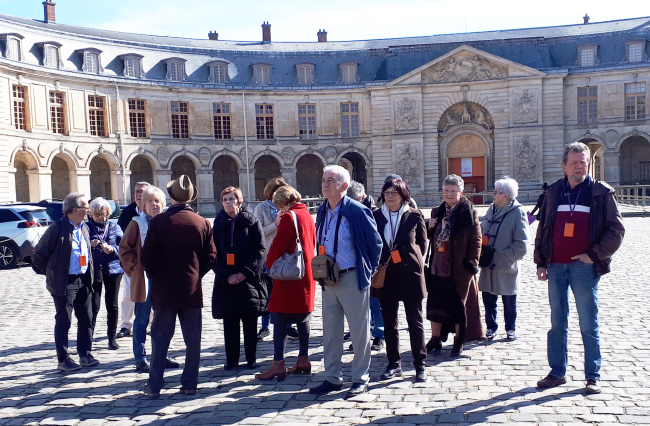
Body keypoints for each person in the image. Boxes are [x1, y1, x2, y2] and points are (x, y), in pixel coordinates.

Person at [535, 142, 624, 395]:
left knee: (588, 321)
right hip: (555, 267)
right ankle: (557, 372)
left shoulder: (601, 192)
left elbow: (616, 230)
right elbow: (543, 230)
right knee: (557, 321)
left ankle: (592, 375)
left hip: (583, 268)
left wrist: (593, 255)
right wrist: (541, 261)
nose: (578, 166)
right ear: (564, 166)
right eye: (573, 162)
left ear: (589, 164)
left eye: (583, 162)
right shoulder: (553, 192)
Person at [308, 165, 382, 398]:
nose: (325, 184)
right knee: (331, 331)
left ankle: (360, 377)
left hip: (351, 276)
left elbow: (375, 244)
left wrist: (367, 271)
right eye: (323, 180)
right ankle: (333, 377)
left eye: (331, 180)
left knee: (359, 332)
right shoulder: (322, 210)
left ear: (344, 186)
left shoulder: (357, 211)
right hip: (328, 278)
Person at [140, 175, 216, 398]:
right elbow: (211, 257)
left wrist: (158, 276)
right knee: (193, 341)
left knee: (160, 339)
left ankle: (154, 386)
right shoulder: (202, 222)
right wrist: (195, 274)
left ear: (171, 196)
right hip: (191, 290)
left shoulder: (159, 222)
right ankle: (190, 384)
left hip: (165, 289)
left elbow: (147, 259)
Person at [32, 193, 100, 371]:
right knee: (64, 321)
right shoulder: (57, 229)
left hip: (84, 279)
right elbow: (38, 255)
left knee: (86, 318)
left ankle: (85, 353)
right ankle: (63, 359)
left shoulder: (83, 227)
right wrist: (52, 274)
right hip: (65, 283)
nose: (88, 212)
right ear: (74, 210)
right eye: (86, 208)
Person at [255, 185, 317, 381]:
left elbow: (277, 245)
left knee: (279, 317)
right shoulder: (306, 214)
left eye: (279, 207)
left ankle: (278, 363)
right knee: (303, 317)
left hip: (289, 276)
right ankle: (303, 359)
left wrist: (270, 264)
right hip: (305, 273)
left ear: (283, 203)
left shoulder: (289, 217)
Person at [372, 178, 428, 382]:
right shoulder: (376, 215)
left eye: (394, 193)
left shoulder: (414, 215)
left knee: (415, 321)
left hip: (410, 274)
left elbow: (422, 245)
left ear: (403, 195)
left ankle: (420, 363)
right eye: (386, 193)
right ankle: (393, 363)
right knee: (389, 323)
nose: (389, 196)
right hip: (386, 274)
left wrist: (411, 261)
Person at [119, 186, 179, 373]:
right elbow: (124, 250)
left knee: (163, 320)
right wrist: (135, 268)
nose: (154, 204)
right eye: (150, 201)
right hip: (145, 279)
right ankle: (140, 357)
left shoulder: (169, 222)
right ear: (143, 205)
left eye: (157, 201)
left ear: (163, 204)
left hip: (164, 279)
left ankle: (161, 355)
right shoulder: (136, 224)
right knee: (142, 319)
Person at [426, 174, 484, 357]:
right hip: (437, 267)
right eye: (446, 191)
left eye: (453, 191)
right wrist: (430, 227)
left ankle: (459, 340)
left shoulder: (469, 211)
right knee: (435, 305)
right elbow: (432, 238)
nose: (449, 194)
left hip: (459, 268)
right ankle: (435, 338)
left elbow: (477, 240)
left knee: (458, 306)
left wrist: (471, 262)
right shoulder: (436, 212)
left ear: (460, 192)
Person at [212, 186, 267, 371]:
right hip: (226, 281)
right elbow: (213, 254)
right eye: (225, 199)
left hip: (248, 279)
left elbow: (260, 250)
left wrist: (243, 273)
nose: (228, 202)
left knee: (250, 321)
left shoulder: (251, 222)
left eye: (232, 199)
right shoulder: (218, 224)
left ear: (240, 201)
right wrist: (227, 275)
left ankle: (251, 358)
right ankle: (231, 359)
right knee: (230, 321)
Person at [478, 178, 530, 342]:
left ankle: (510, 329)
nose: (492, 194)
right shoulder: (491, 209)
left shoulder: (518, 213)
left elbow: (522, 244)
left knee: (509, 301)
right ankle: (491, 328)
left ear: (505, 195)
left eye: (496, 192)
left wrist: (504, 256)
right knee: (488, 300)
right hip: (487, 263)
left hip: (506, 264)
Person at [253, 177, 298, 342]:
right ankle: (265, 327)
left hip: (286, 256)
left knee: (286, 292)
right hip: (268, 256)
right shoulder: (261, 208)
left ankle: (288, 326)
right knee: (268, 293)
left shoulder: (289, 208)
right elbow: (258, 233)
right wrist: (276, 225)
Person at [346, 180, 384, 350]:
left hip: (370, 265)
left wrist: (374, 266)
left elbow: (378, 243)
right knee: (359, 305)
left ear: (361, 197)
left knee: (375, 303)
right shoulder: (346, 210)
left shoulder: (375, 213)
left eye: (354, 199)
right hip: (353, 265)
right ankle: (361, 337)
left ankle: (379, 335)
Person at [87, 197, 124, 351]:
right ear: (91, 214)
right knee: (93, 305)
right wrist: (90, 244)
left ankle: (111, 337)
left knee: (112, 304)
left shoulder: (114, 227)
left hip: (113, 269)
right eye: (97, 215)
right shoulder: (86, 227)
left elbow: (124, 246)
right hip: (94, 270)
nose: (101, 218)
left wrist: (113, 250)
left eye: (103, 214)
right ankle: (88, 339)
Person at [116, 181, 150, 339]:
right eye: (136, 191)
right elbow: (120, 236)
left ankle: (151, 323)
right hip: (134, 264)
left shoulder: (154, 212)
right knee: (128, 294)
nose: (138, 194)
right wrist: (130, 263)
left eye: (142, 192)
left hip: (151, 263)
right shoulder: (128, 212)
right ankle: (125, 325)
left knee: (151, 294)